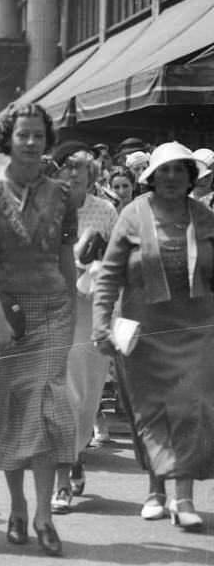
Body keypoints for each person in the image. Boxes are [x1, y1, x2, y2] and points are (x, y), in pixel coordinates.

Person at [0, 103, 78, 556]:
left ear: (46, 140)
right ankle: (16, 507)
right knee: (12, 413)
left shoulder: (61, 193)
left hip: (52, 310)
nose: (31, 142)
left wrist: (71, 305)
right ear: (9, 140)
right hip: (3, 314)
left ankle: (44, 515)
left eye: (38, 135)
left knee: (49, 409)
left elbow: (66, 257)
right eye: (24, 135)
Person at [92, 141, 214, 532]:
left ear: (192, 177)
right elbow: (108, 274)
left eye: (181, 170)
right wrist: (100, 324)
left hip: (195, 332)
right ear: (152, 177)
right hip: (143, 333)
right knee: (150, 413)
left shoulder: (204, 216)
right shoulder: (131, 215)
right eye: (165, 170)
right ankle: (154, 491)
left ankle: (183, 498)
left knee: (188, 410)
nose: (173, 177)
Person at [49, 145, 118, 512]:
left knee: (88, 395)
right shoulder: (45, 207)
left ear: (92, 174)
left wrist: (94, 266)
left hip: (90, 309)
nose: (74, 174)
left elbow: (119, 260)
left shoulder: (105, 210)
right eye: (68, 167)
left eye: (81, 168)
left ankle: (75, 453)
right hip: (53, 308)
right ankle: (62, 474)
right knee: (63, 394)